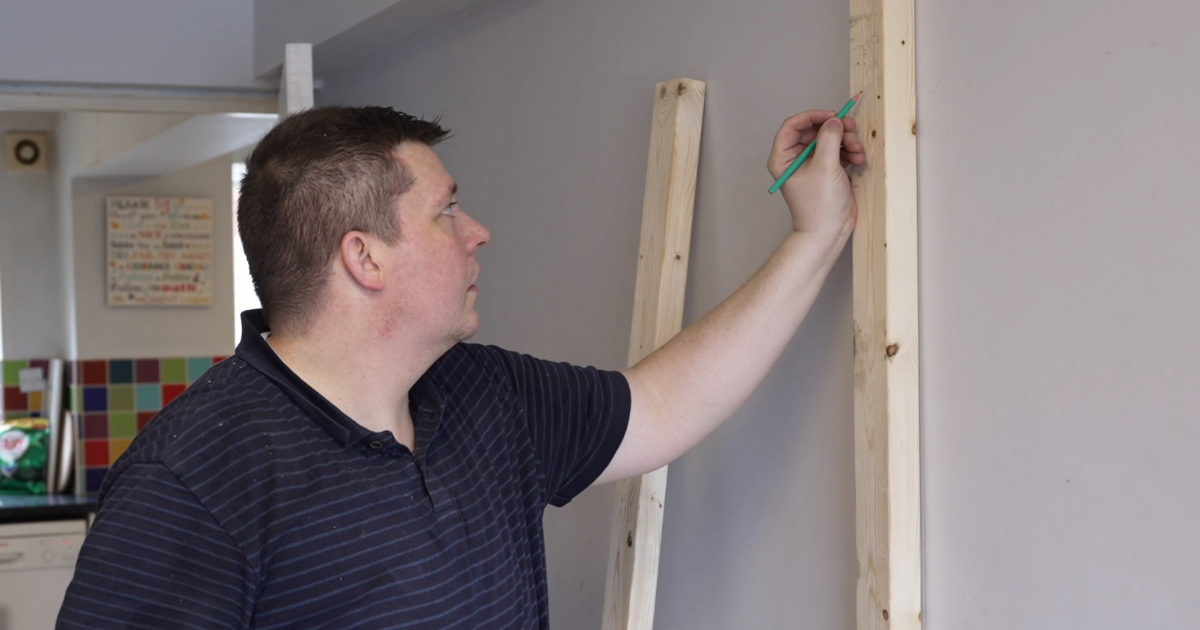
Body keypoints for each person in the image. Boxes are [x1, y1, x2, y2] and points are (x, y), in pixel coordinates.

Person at [57, 105, 864, 629]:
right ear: (365, 258)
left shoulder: (481, 393)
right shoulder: (194, 479)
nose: (477, 232)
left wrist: (814, 237)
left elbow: (657, 409)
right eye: (446, 210)